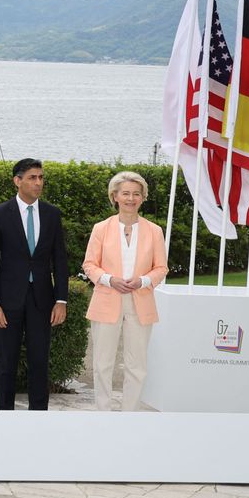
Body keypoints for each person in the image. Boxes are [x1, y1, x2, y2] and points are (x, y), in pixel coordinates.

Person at [0, 157, 69, 410]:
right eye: (32, 177)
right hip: (7, 301)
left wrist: (61, 300)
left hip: (42, 301)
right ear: (17, 181)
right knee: (6, 363)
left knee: (40, 361)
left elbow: (60, 261)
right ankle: (4, 417)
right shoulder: (0, 213)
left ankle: (38, 418)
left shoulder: (52, 214)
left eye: (41, 177)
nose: (38, 182)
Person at [82, 170, 167, 411]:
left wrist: (143, 281)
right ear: (115, 196)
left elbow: (161, 268)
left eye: (136, 194)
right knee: (102, 363)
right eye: (126, 193)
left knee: (137, 365)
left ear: (143, 198)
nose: (131, 198)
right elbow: (89, 265)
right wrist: (109, 279)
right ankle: (103, 413)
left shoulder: (154, 231)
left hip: (140, 302)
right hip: (107, 301)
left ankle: (129, 414)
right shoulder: (101, 228)